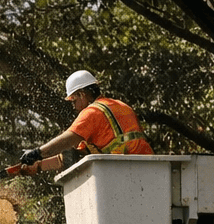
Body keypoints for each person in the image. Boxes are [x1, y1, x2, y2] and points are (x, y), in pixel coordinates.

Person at [18, 69, 153, 176]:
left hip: (124, 169)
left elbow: (67, 140)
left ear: (82, 94)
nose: (74, 106)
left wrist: (37, 153)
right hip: (150, 166)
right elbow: (72, 156)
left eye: (74, 101)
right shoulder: (120, 105)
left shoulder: (92, 112)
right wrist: (39, 166)